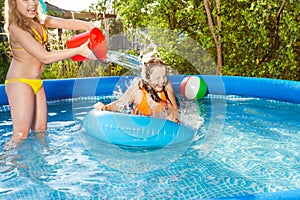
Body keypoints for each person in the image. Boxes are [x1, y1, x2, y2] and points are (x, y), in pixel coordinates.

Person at [4, 0, 97, 142]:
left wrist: (89, 26)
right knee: (20, 134)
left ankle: (39, 163)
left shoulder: (41, 21)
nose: (32, 3)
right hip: (19, 82)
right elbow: (44, 56)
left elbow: (66, 23)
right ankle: (6, 163)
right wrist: (79, 50)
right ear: (13, 3)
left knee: (41, 131)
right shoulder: (16, 28)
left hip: (36, 82)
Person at [94, 56, 181, 123]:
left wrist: (174, 118)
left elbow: (173, 108)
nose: (162, 81)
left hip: (158, 121)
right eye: (158, 77)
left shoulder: (166, 86)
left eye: (164, 76)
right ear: (147, 78)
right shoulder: (137, 90)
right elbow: (120, 104)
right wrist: (105, 107)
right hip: (138, 122)